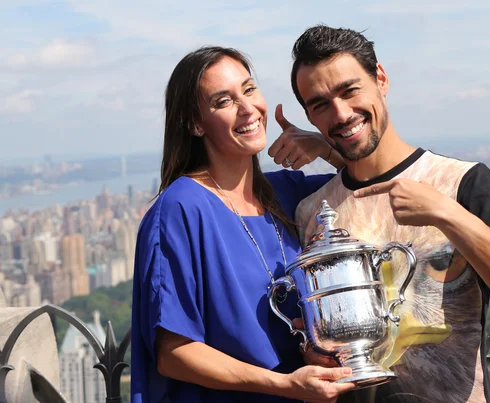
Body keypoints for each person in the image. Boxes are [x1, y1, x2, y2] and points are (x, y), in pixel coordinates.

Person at [285, 25, 490, 403]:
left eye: (350, 90)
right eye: (320, 104)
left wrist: (447, 213)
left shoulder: (462, 183)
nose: (341, 113)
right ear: (310, 117)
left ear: (380, 78)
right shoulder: (312, 211)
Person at [130, 45, 354, 403]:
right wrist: (284, 384)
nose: (248, 108)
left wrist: (323, 146)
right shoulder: (181, 209)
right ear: (195, 123)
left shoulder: (288, 193)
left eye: (249, 89)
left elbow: (368, 181)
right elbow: (175, 353)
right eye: (223, 101)